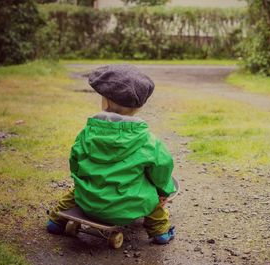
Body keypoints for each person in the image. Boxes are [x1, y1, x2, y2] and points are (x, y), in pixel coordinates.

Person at [46, 65, 176, 244]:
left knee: (75, 192)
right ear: (138, 108)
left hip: (89, 201)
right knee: (153, 202)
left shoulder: (87, 133)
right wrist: (163, 191)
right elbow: (162, 169)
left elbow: (75, 161)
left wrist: (83, 180)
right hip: (130, 205)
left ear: (105, 102)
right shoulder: (148, 141)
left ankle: (56, 221)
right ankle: (160, 232)